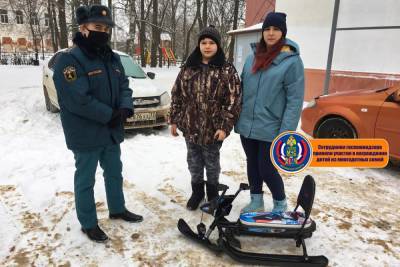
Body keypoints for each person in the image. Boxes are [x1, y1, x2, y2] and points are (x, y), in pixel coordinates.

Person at [53, 4, 143, 243]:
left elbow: (124, 85)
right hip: (85, 133)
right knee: (86, 179)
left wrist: (125, 106)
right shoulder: (69, 61)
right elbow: (77, 99)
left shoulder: (112, 58)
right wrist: (110, 114)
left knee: (114, 172)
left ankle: (117, 208)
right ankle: (88, 223)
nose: (102, 31)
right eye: (97, 27)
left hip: (111, 131)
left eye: (106, 27)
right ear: (83, 28)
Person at [235, 12, 305, 213]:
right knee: (252, 165)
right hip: (248, 125)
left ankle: (280, 204)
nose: (271, 33)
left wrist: (286, 132)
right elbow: (241, 89)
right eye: (267, 29)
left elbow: (294, 101)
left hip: (272, 128)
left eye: (276, 29)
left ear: (283, 33)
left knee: (267, 168)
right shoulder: (251, 58)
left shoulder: (292, 62)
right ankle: (256, 200)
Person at [169, 25, 242, 210]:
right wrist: (174, 120)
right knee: (193, 162)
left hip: (213, 129)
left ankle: (212, 193)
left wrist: (224, 127)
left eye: (211, 42)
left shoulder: (226, 69)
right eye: (203, 42)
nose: (207, 46)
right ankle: (197, 192)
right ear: (198, 45)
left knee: (211, 163)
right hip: (191, 126)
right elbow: (177, 95)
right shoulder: (188, 68)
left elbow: (233, 100)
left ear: (217, 45)